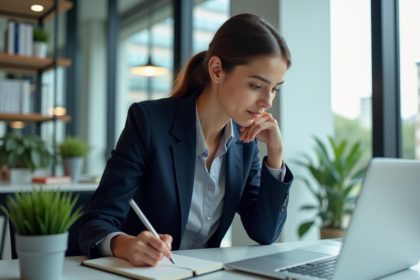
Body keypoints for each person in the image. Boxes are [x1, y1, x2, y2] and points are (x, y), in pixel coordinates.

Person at [78, 13, 293, 267]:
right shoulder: (148, 122)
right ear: (216, 70)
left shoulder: (245, 144)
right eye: (257, 85)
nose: (268, 101)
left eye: (275, 88)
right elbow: (96, 223)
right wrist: (127, 245)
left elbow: (264, 232)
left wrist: (275, 155)